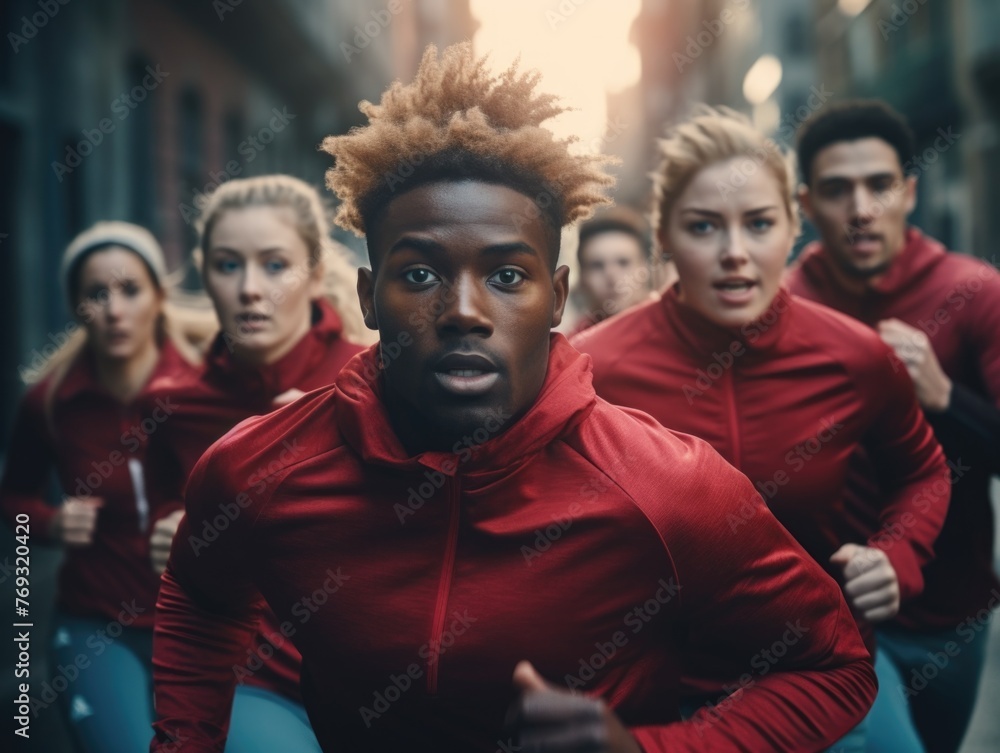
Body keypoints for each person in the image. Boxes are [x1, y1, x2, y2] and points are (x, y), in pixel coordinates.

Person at [150, 44, 877, 753]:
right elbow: (200, 598)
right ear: (369, 296)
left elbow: (833, 666)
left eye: (506, 276)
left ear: (557, 297)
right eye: (420, 274)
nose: (464, 309)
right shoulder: (262, 466)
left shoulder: (669, 486)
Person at [571, 106, 951, 752]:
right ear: (663, 236)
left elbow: (923, 470)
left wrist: (897, 554)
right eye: (703, 227)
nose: (735, 254)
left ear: (792, 228)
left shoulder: (855, 356)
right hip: (661, 683)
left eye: (759, 223)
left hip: (821, 664)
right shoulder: (594, 367)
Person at [786, 100, 1000, 753]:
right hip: (832, 621)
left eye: (878, 185)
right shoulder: (781, 305)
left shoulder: (976, 293)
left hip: (950, 613)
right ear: (805, 203)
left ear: (908, 191)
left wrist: (943, 395)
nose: (861, 208)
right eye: (837, 189)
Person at [145, 174, 367, 752]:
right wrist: (171, 532)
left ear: (315, 274)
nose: (248, 288)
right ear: (205, 273)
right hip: (250, 683)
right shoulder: (171, 406)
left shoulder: (376, 385)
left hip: (378, 685)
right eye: (227, 265)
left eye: (275, 265)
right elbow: (165, 521)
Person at [0, 222, 201, 753]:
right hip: (95, 624)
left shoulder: (209, 388)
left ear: (158, 296)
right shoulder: (50, 402)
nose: (114, 310)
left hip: (201, 625)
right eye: (96, 294)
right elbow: (12, 497)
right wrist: (46, 522)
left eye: (130, 290)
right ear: (75, 305)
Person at [569, 207, 656, 335]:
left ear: (645, 268)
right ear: (582, 277)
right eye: (597, 266)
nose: (611, 276)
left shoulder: (675, 327)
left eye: (623, 262)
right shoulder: (571, 347)